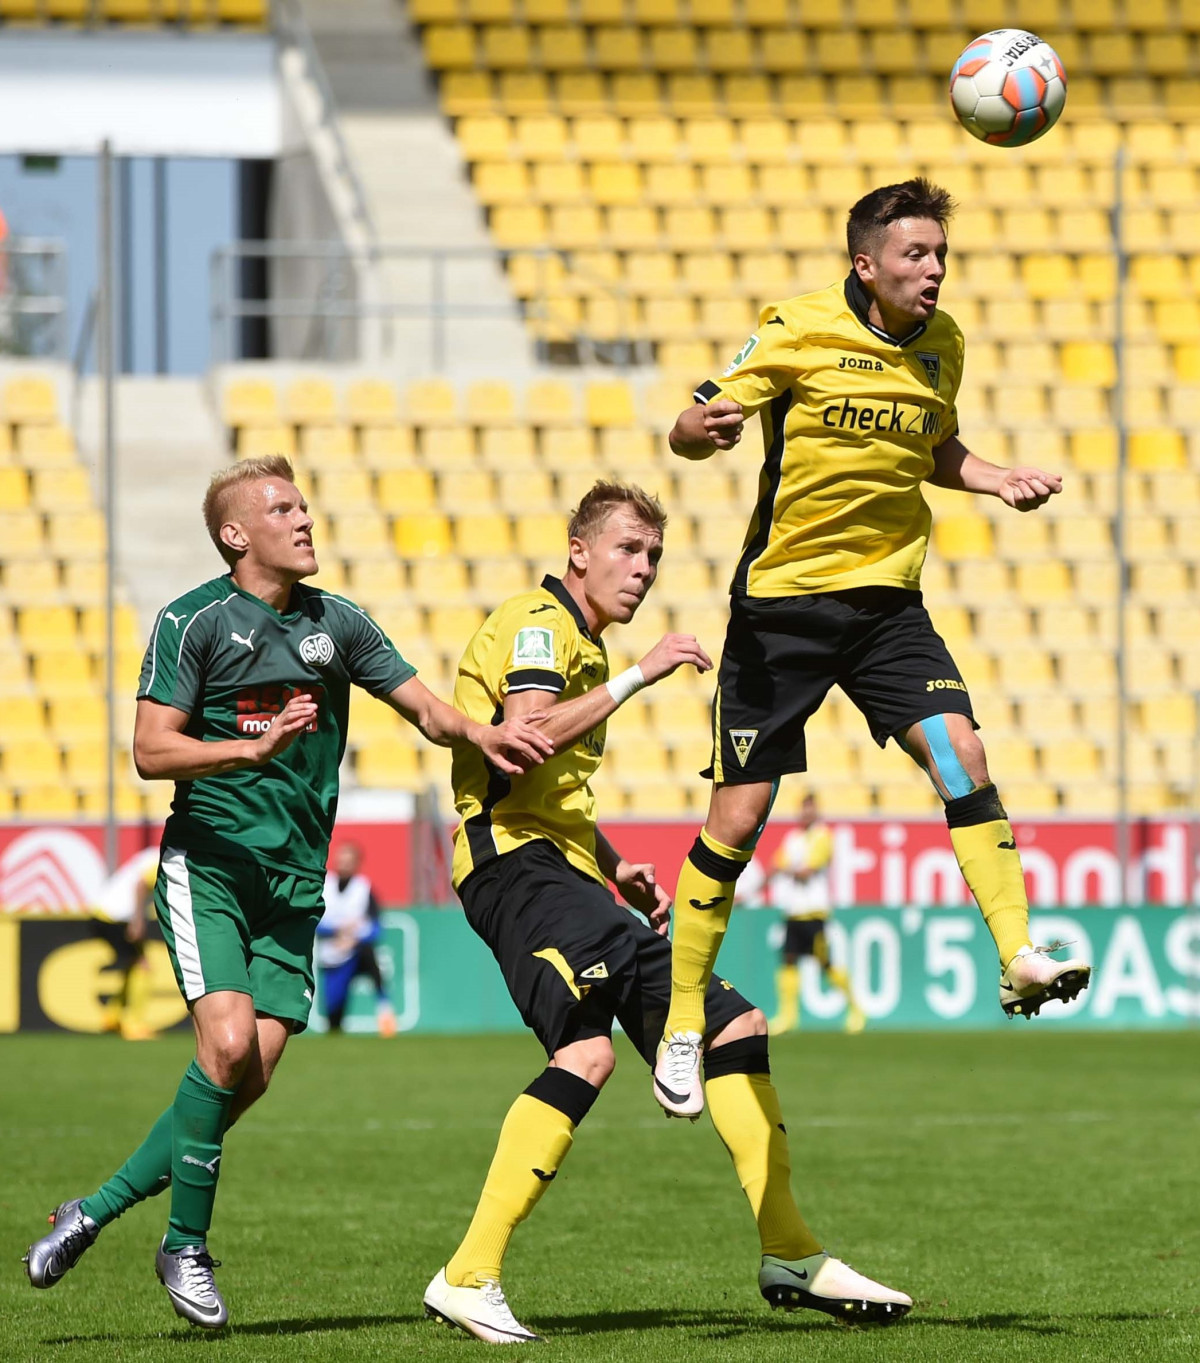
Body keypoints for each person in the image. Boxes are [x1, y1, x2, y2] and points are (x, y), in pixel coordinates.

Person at [23, 455, 551, 1329]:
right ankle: (184, 1245)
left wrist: (482, 734)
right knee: (227, 1045)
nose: (304, 518)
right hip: (213, 865)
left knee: (248, 1074)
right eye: (281, 508)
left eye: (303, 505)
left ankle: (94, 1209)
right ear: (235, 534)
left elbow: (427, 711)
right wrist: (250, 748)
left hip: (297, 881)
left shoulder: (336, 621)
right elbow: (151, 750)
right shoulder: (192, 621)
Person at [422, 481, 911, 1344]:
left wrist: (614, 867)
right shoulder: (538, 624)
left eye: (652, 555)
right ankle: (467, 1275)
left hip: (564, 871)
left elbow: (553, 795)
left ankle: (790, 1249)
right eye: (626, 548)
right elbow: (526, 735)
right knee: (592, 1050)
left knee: (729, 1024)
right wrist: (639, 674)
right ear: (578, 550)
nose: (642, 568)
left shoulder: (578, 642)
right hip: (513, 868)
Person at [653, 178, 1091, 1119]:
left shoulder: (944, 344)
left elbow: (936, 448)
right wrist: (699, 431)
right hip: (783, 609)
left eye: (940, 255)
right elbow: (694, 422)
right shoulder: (797, 327)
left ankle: (1016, 952)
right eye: (915, 255)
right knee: (738, 820)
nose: (933, 271)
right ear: (866, 263)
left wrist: (995, 476)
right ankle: (682, 1017)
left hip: (889, 604)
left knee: (962, 753)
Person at [768, 794, 864, 1036]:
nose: (806, 814)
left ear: (816, 812)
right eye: (803, 809)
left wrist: (785, 868)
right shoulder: (792, 838)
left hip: (814, 912)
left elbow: (806, 871)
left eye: (810, 809)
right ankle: (788, 1016)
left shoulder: (823, 836)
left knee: (825, 963)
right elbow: (775, 866)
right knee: (788, 959)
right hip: (793, 911)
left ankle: (856, 1009)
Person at [318, 841, 396, 1036]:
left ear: (357, 863)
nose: (343, 864)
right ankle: (335, 1026)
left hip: (356, 950)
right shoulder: (324, 887)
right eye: (341, 860)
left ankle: (385, 1014)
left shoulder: (364, 888)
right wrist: (337, 931)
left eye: (348, 861)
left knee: (372, 962)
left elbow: (377, 928)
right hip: (332, 954)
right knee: (334, 1008)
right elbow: (313, 923)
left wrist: (354, 939)